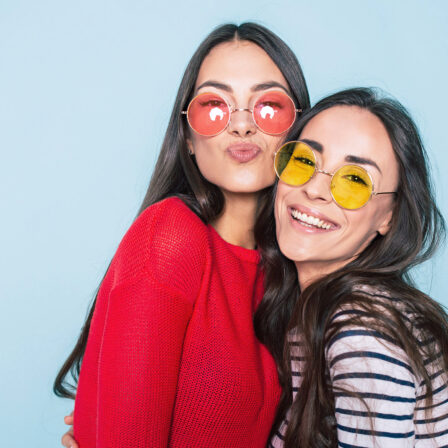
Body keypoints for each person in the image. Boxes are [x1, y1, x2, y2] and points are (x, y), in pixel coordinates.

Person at [53, 23, 310, 448]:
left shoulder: (291, 269)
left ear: (299, 130)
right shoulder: (170, 238)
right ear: (188, 137)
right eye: (214, 105)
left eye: (268, 106)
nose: (242, 126)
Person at [262, 88, 448, 447]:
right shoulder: (313, 313)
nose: (316, 189)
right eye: (303, 161)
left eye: (355, 181)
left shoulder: (362, 330)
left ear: (389, 218)